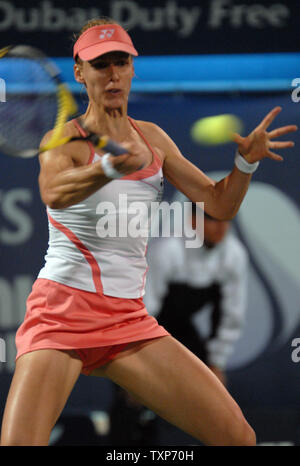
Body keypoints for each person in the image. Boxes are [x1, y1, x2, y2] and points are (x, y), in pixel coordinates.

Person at [0, 17, 297, 447]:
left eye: (121, 61)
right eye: (100, 64)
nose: (113, 73)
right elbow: (53, 192)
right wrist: (108, 168)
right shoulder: (63, 140)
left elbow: (219, 204)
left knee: (238, 438)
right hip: (62, 313)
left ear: (132, 68)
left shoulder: (153, 139)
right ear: (80, 72)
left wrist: (245, 164)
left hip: (127, 320)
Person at [108, 205, 249, 445]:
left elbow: (230, 315)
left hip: (181, 329)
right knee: (131, 397)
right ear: (193, 221)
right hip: (139, 328)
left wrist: (216, 362)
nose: (221, 228)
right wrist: (136, 367)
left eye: (227, 220)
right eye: (213, 219)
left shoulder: (234, 255)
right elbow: (143, 310)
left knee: (212, 395)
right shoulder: (168, 250)